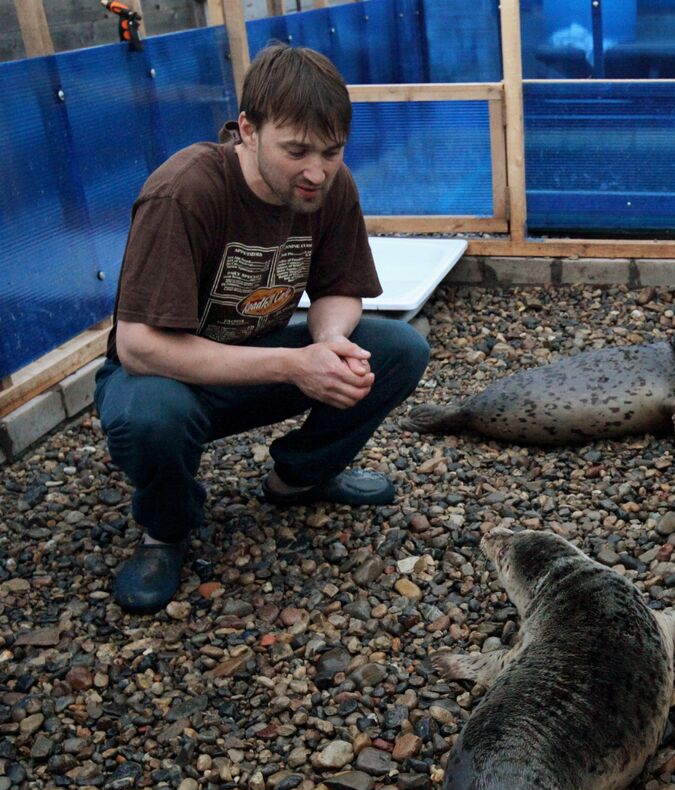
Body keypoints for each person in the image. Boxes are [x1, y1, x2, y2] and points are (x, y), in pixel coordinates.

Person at [94, 43, 429, 614]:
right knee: (150, 415)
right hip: (170, 376)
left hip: (257, 358)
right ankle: (165, 531)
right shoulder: (184, 191)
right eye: (296, 150)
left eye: (331, 151)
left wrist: (326, 343)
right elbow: (138, 346)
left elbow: (338, 289)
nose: (315, 171)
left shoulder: (329, 186)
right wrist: (293, 365)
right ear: (247, 130)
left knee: (396, 348)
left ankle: (299, 479)